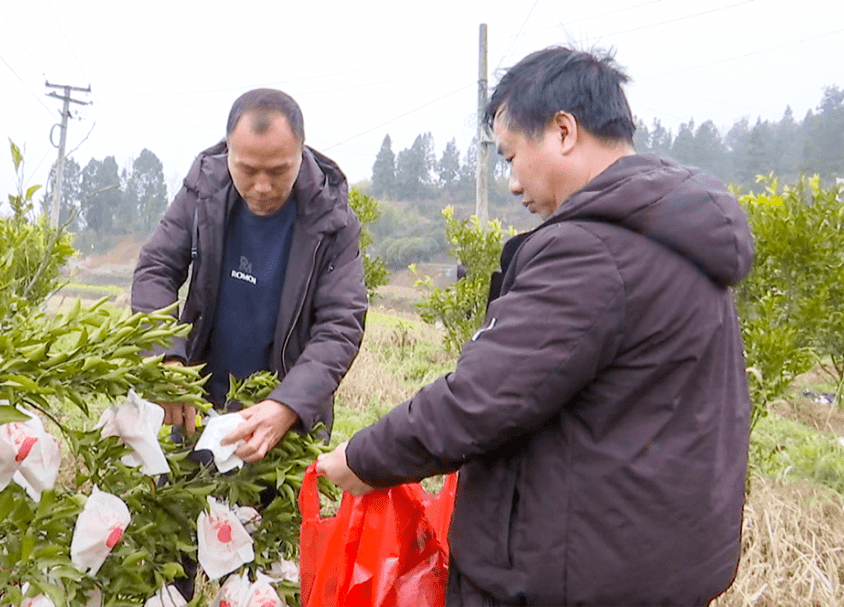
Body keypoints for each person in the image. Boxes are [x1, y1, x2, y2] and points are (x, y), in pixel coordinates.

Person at [317, 46, 754, 606]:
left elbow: (484, 397)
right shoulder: (676, 236)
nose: (513, 181)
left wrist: (364, 458)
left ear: (563, 130)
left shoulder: (592, 251)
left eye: (510, 155)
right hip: (652, 565)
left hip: (569, 577)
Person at [131, 88, 368, 462]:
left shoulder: (332, 219)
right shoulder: (203, 190)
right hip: (200, 403)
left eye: (278, 171)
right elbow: (156, 269)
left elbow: (341, 325)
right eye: (246, 169)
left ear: (301, 152)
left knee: (271, 516)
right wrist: (167, 360)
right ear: (228, 151)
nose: (261, 186)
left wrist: (288, 404)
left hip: (282, 423)